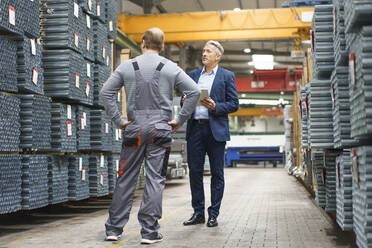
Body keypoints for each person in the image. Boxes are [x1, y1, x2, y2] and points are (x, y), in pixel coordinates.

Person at [99, 27, 200, 244]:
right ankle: (149, 232)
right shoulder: (170, 68)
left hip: (134, 128)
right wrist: (179, 119)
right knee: (155, 179)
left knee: (126, 179)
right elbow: (194, 92)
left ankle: (114, 229)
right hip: (160, 129)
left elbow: (105, 92)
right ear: (162, 46)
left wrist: (118, 119)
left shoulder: (127, 66)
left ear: (143, 43)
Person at [182, 40, 239, 228]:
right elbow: (187, 99)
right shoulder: (193, 75)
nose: (204, 54)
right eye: (203, 51)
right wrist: (185, 100)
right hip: (195, 129)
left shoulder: (226, 76)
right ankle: (198, 213)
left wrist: (216, 106)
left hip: (215, 131)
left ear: (218, 56)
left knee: (217, 173)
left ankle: (213, 213)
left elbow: (234, 103)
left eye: (208, 51)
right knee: (195, 173)